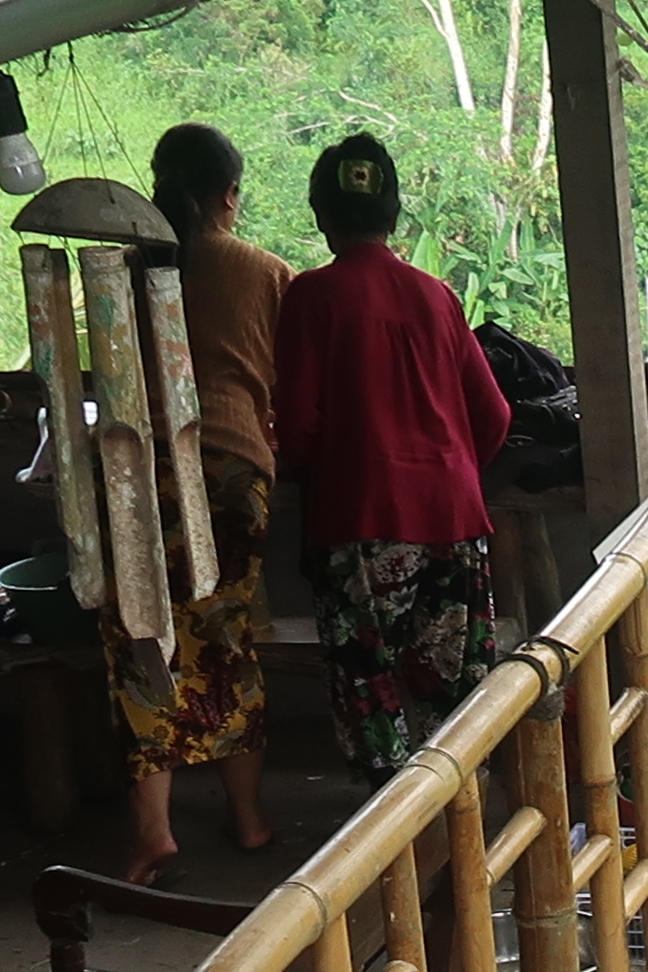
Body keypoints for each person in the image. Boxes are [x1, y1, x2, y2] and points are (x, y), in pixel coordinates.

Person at [268, 131, 514, 785]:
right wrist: (449, 468)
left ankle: (395, 861)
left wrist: (328, 465)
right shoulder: (437, 296)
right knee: (454, 701)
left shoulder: (311, 297)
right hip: (455, 521)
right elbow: (494, 416)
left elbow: (296, 429)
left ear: (320, 216)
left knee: (373, 699)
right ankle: (463, 853)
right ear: (393, 215)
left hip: (359, 525)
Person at [121, 124, 282, 881]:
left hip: (134, 474)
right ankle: (247, 819)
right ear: (229, 195)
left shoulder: (127, 267)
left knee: (142, 642)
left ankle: (154, 831)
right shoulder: (261, 270)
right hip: (229, 470)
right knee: (226, 639)